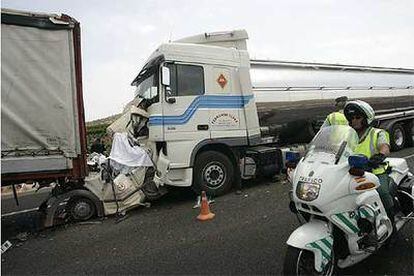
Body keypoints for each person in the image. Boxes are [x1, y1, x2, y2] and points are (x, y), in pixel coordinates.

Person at [343, 100, 395, 221]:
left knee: (382, 193)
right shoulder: (348, 136)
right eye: (351, 118)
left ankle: (391, 223)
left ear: (366, 118)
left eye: (357, 117)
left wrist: (380, 156)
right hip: (353, 173)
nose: (354, 120)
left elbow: (385, 147)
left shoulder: (377, 133)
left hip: (375, 172)